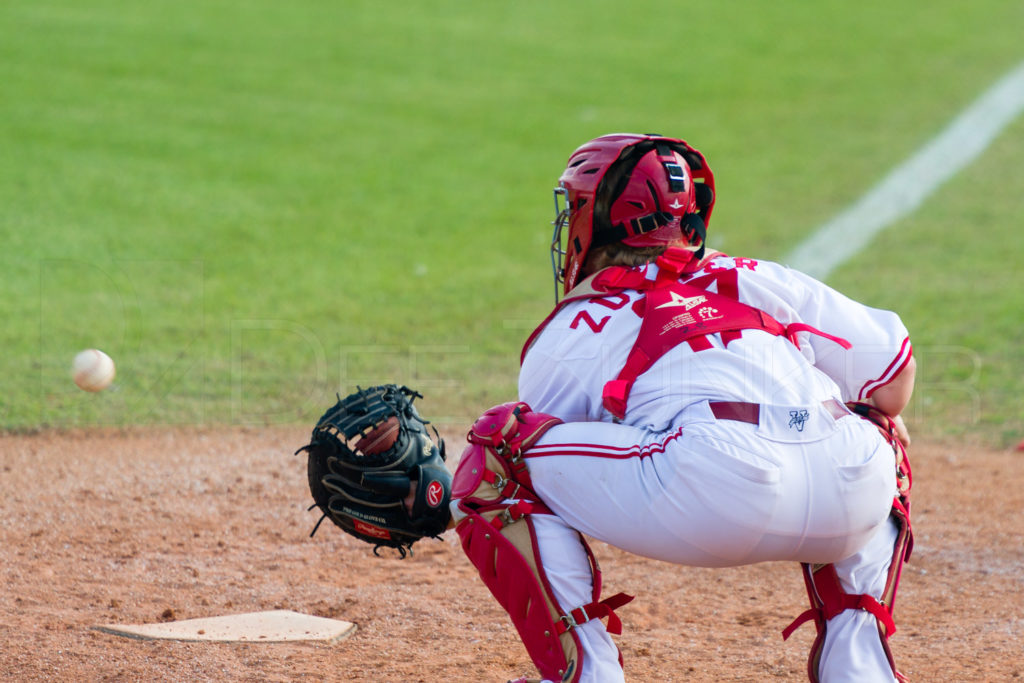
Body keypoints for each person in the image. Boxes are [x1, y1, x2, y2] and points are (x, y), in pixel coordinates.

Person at [448, 133, 915, 683]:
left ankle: (585, 674)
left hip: (714, 488)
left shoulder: (573, 325)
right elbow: (895, 374)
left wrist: (438, 497)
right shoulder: (750, 275)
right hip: (852, 494)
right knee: (878, 426)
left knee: (500, 449)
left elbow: (551, 475)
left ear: (593, 219)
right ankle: (857, 664)